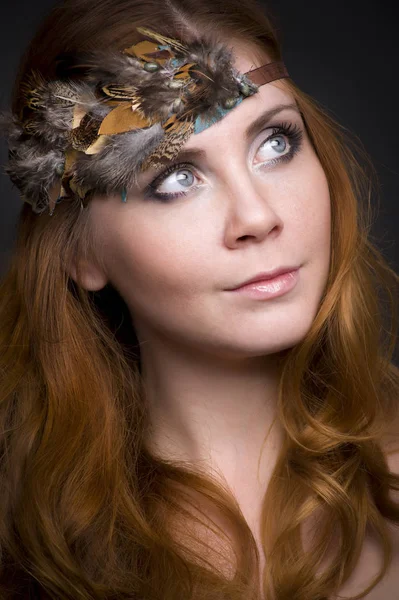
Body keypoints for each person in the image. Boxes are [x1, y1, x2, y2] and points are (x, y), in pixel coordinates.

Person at [0, 0, 399, 598]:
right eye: (176, 179)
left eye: (275, 143)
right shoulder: (28, 546)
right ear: (81, 254)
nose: (258, 216)